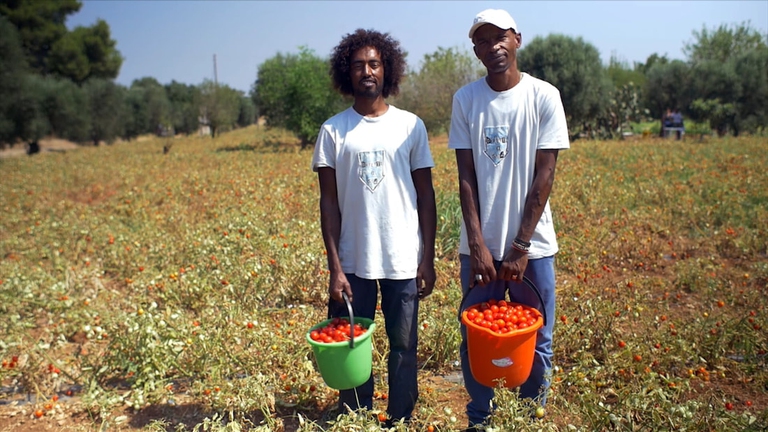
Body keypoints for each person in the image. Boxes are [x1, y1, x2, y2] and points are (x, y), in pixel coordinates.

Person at [448, 9, 570, 430]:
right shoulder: (466, 100)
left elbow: (544, 176)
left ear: (517, 38)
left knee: (537, 338)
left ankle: (530, 417)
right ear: (476, 51)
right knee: (475, 335)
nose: (493, 47)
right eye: (483, 41)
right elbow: (466, 177)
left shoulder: (544, 96)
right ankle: (480, 418)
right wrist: (477, 244)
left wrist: (520, 246)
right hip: (479, 249)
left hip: (533, 247)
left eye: (500, 37)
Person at [311, 28, 437, 426]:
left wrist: (427, 259)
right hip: (353, 260)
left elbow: (426, 197)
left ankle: (400, 417)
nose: (367, 71)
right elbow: (328, 204)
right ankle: (356, 415)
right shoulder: (333, 131)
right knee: (350, 342)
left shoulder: (411, 126)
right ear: (346, 73)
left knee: (404, 345)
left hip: (402, 257)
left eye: (374, 64)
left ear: (387, 70)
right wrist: (335, 267)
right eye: (358, 65)